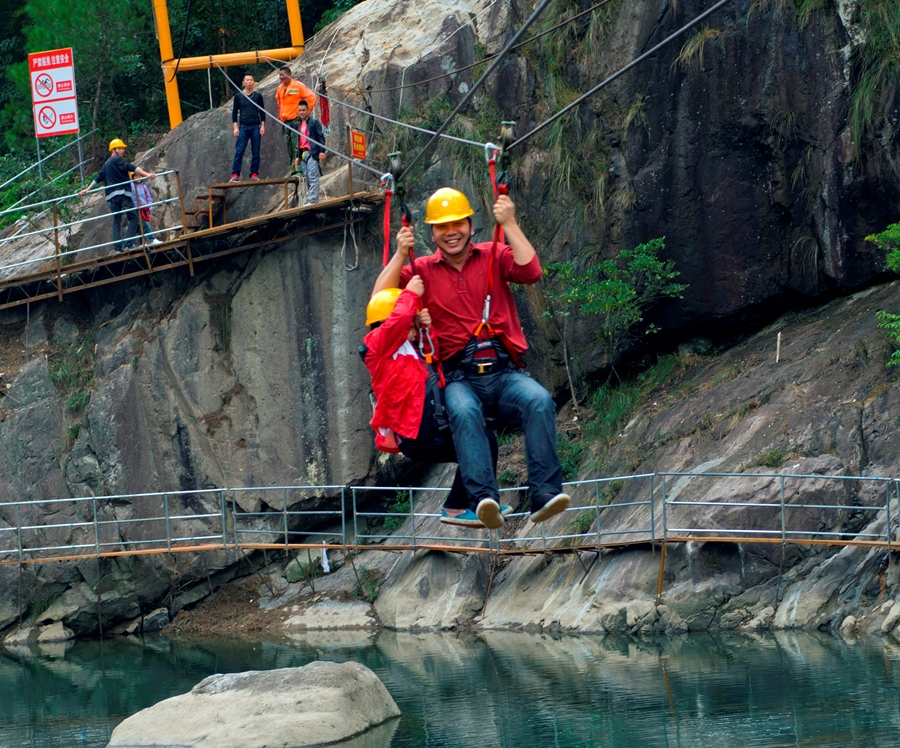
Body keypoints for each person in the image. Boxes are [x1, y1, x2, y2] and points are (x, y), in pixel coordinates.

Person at [373, 188, 570, 530]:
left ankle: (545, 494)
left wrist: (508, 223)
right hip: (457, 376)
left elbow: (532, 270)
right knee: (464, 413)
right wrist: (400, 255)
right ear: (431, 232)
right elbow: (380, 299)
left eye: (458, 223)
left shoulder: (493, 255)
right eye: (442, 226)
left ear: (470, 224)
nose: (451, 232)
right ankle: (481, 500)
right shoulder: (421, 270)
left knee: (538, 401)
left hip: (503, 372)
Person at [361, 277, 510, 528]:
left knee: (484, 440)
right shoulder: (376, 348)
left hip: (430, 428)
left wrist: (425, 329)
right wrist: (409, 295)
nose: (411, 323)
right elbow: (393, 325)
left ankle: (461, 505)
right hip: (415, 433)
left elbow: (434, 361)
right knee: (476, 440)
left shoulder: (409, 350)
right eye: (408, 320)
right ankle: (468, 502)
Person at [80, 139, 156, 252]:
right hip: (123, 194)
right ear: (113, 150)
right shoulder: (117, 160)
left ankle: (117, 248)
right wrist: (147, 174)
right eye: (119, 148)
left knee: (116, 221)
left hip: (111, 198)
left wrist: (86, 190)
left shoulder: (106, 164)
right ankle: (128, 244)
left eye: (122, 148)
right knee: (134, 218)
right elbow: (132, 168)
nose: (122, 150)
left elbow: (97, 179)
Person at [274, 66, 317, 176]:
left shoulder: (297, 86)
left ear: (289, 74)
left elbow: (312, 97)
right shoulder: (280, 88)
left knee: (297, 145)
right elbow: (279, 102)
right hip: (286, 121)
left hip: (296, 120)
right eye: (280, 75)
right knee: (289, 146)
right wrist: (280, 116)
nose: (281, 77)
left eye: (283, 75)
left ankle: (299, 170)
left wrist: (306, 113)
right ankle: (294, 169)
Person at [229, 73, 266, 182]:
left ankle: (254, 173)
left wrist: (263, 126)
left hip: (255, 126)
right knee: (239, 151)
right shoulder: (238, 97)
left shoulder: (258, 96)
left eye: (251, 80)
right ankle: (235, 174)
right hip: (243, 127)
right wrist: (235, 127)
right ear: (243, 82)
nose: (249, 82)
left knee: (256, 151)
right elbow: (234, 112)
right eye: (247, 80)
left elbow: (262, 112)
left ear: (254, 82)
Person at [295, 99, 326, 205]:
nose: (302, 112)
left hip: (312, 152)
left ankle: (313, 199)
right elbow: (298, 141)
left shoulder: (314, 122)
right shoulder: (298, 125)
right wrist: (297, 156)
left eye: (304, 110)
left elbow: (320, 137)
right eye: (300, 110)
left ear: (308, 110)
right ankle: (311, 198)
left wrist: (322, 151)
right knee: (307, 178)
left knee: (313, 175)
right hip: (303, 154)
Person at [130, 173, 161, 245]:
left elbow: (148, 197)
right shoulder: (131, 186)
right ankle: (152, 239)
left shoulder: (144, 186)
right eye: (136, 176)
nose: (138, 178)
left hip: (144, 208)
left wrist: (150, 208)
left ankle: (141, 243)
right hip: (136, 208)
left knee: (141, 226)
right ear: (133, 177)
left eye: (139, 176)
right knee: (145, 225)